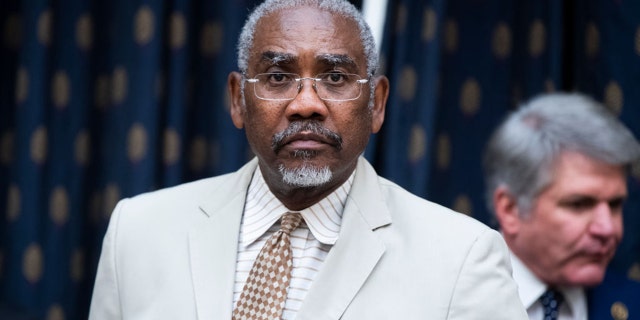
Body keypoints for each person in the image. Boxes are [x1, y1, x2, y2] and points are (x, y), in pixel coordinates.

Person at [89, 0, 527, 319]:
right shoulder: (138, 232)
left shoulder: (462, 258)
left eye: (335, 77)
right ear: (237, 100)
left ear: (376, 103)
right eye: (278, 77)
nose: (306, 104)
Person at [484, 92, 640, 320]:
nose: (608, 229)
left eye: (615, 205)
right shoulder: (447, 299)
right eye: (579, 204)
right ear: (510, 209)